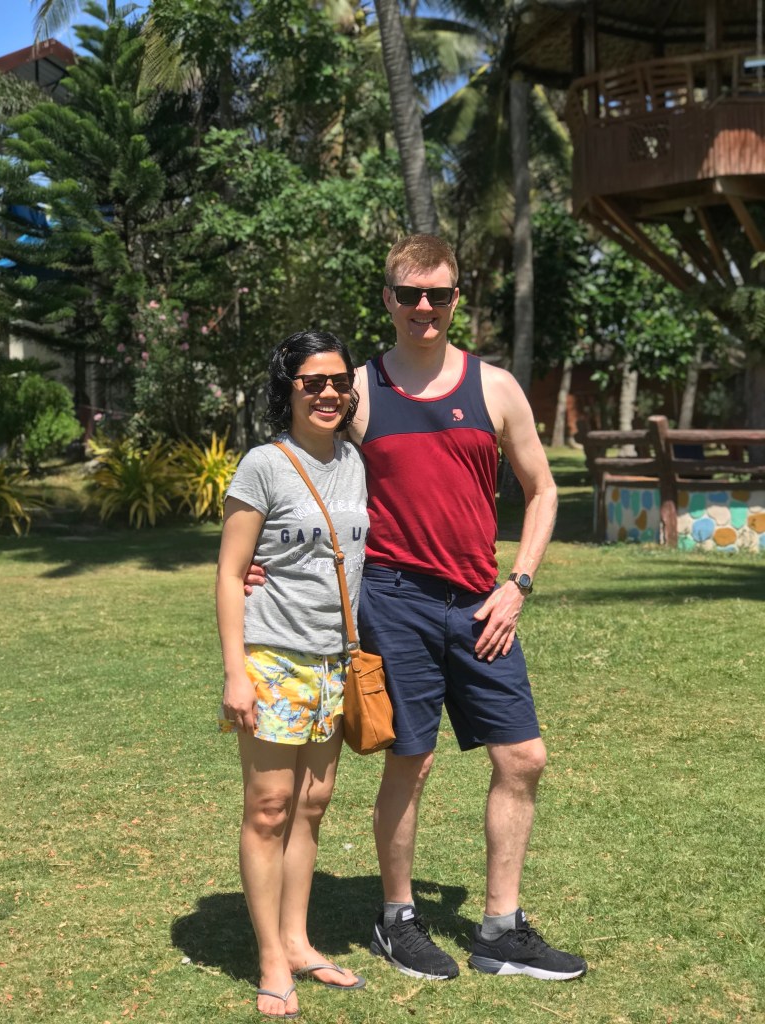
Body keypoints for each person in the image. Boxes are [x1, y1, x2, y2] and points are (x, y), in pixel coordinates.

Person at [248, 235, 587, 983]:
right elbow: (296, 472)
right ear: (388, 300)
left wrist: (518, 583)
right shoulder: (359, 391)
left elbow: (543, 490)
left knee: (523, 757)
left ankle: (500, 929)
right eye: (409, 294)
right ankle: (397, 918)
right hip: (393, 599)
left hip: (483, 602)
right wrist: (258, 561)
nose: (423, 306)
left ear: (457, 298)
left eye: (437, 293)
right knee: (413, 758)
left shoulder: (495, 388)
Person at [216, 330, 369, 1020]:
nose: (328, 392)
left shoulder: (356, 462)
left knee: (312, 804)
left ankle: (300, 942)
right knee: (270, 807)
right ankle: (272, 961)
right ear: (289, 389)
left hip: (335, 660)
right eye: (312, 382)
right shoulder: (263, 465)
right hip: (273, 659)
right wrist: (236, 673)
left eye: (339, 381)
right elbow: (230, 573)